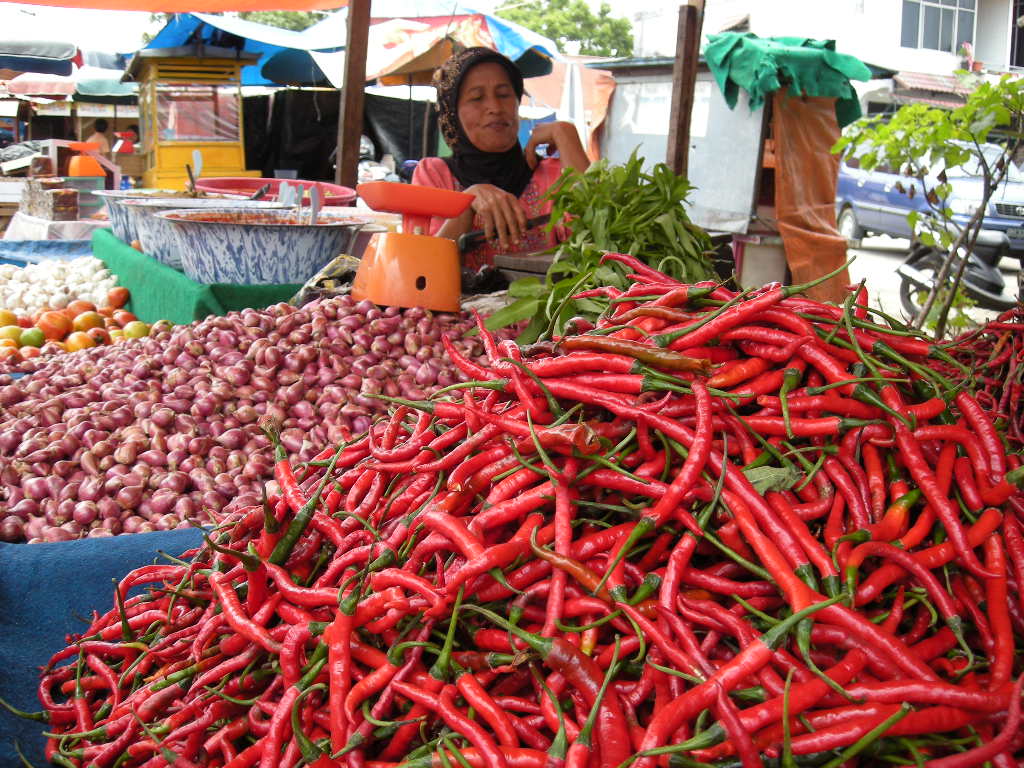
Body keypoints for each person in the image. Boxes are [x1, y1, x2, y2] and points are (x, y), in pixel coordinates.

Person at [413, 47, 590, 270]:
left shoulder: (554, 174)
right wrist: (466, 204)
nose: (495, 108)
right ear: (453, 113)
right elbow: (422, 271)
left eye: (504, 95)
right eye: (477, 98)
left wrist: (567, 135)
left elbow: (601, 239)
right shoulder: (434, 174)